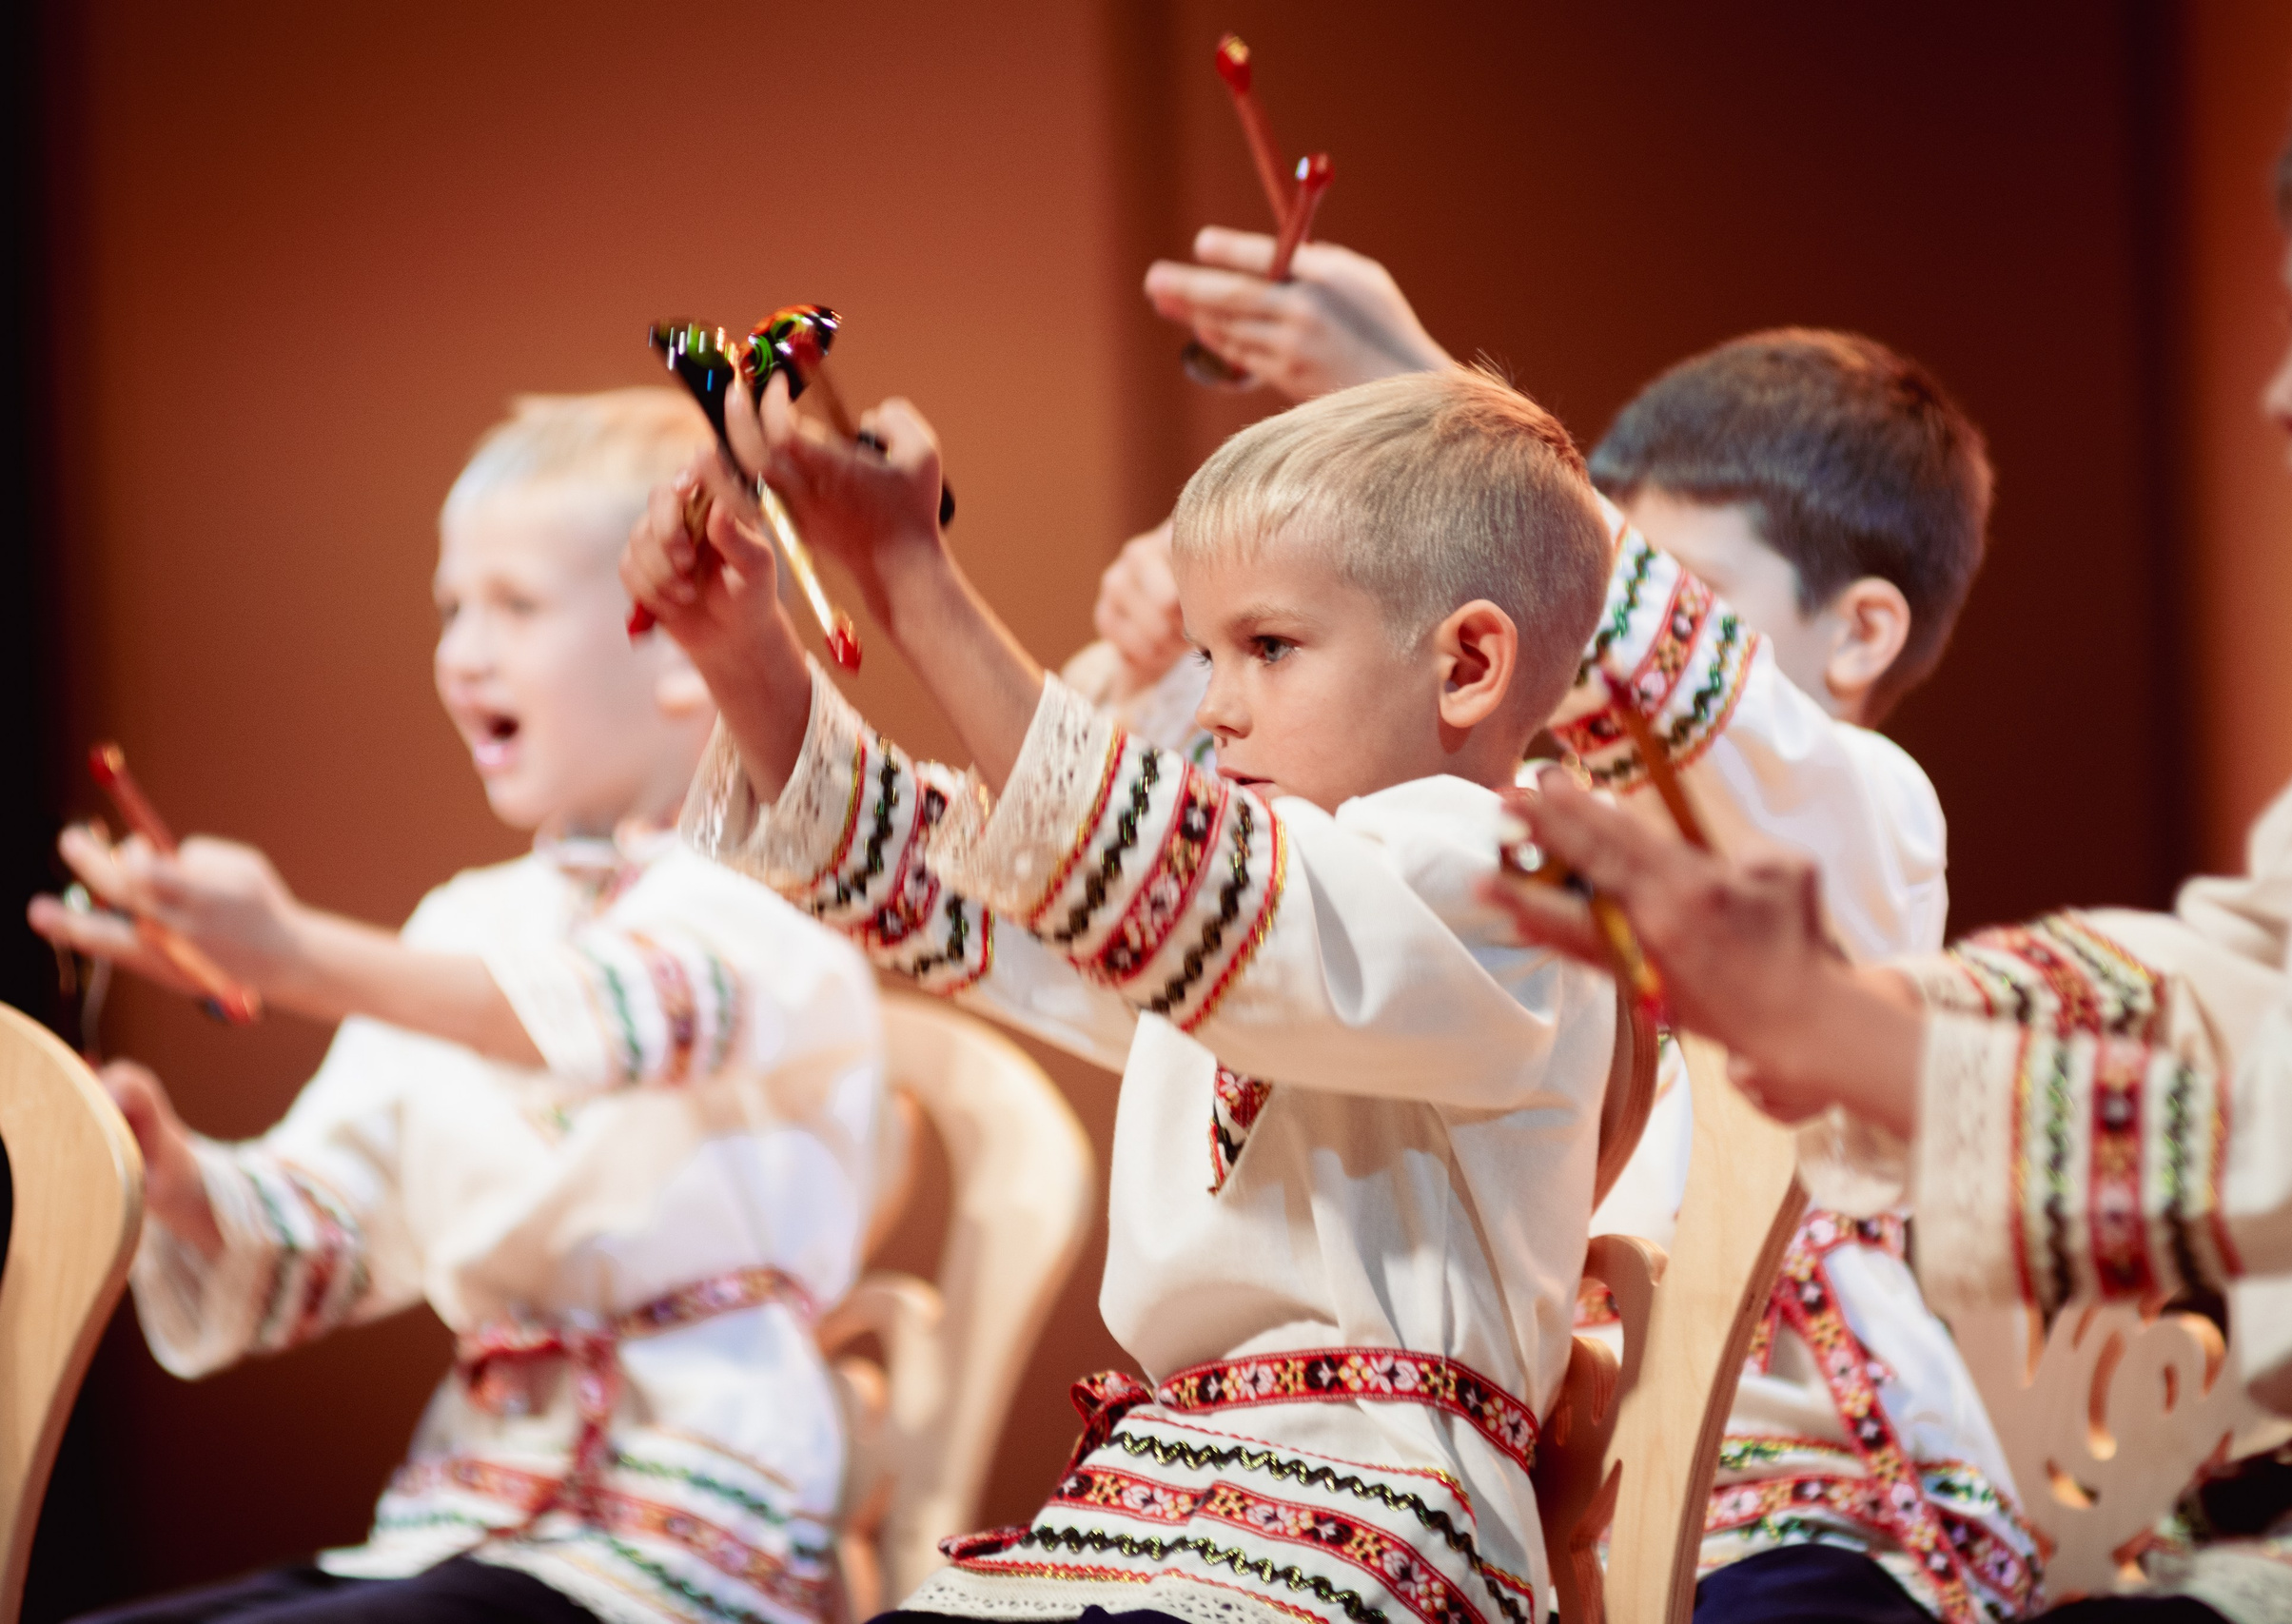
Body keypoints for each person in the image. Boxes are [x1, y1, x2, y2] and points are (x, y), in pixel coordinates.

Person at [1485, 34, 2292, 1624]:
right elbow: (2225, 986)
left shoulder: (1849, 791)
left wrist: (1841, 1029)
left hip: (1822, 1478)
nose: (2287, 393)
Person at [626, 363, 1673, 1624]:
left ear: (1467, 664)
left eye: (1269, 649)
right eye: (1206, 656)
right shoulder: (1242, 913)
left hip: (1380, 1536)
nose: (1218, 709)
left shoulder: (1517, 883)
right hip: (1163, 1514)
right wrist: (743, 653)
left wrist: (914, 579)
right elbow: (970, 885)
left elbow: (1188, 890)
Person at [1142, 240, 2031, 1624]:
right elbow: (1222, 924)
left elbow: (1723, 730)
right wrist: (1178, 648)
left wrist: (1420, 398)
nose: (1595, 633)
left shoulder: (1864, 810)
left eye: (1668, 583)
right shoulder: (1497, 831)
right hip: (1537, 1499)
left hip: (1794, 1492)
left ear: (1858, 635)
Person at [30, 390, 888, 1624]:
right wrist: (172, 1177)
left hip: (686, 1524)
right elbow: (334, 1227)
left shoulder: (770, 894)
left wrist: (292, 955)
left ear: (676, 651)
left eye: (516, 607)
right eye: (450, 609)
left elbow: (602, 1020)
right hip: (472, 1509)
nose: (463, 654)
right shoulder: (466, 923)